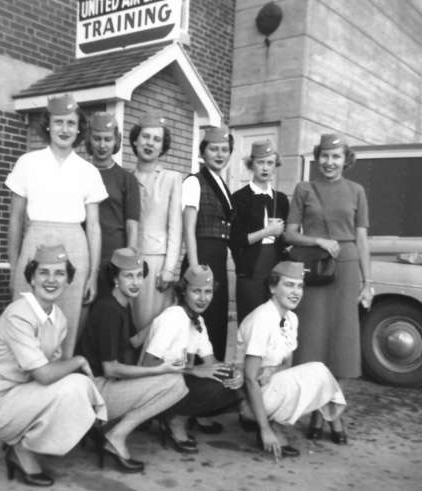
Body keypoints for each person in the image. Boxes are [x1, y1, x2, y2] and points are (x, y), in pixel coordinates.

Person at [0, 245, 107, 487]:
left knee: (76, 386)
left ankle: (23, 439)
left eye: (59, 273)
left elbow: (51, 372)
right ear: (32, 278)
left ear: (68, 280)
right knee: (75, 385)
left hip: (22, 393)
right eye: (44, 272)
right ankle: (21, 449)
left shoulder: (59, 319)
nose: (51, 280)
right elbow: (45, 375)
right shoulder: (19, 314)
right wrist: (78, 360)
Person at [284, 133, 373, 441]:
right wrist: (318, 239)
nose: (329, 162)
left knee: (341, 345)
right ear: (317, 157)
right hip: (316, 271)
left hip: (346, 271)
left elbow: (361, 239)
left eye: (335, 156)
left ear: (345, 159)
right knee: (313, 343)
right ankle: (317, 414)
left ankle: (333, 417)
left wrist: (368, 282)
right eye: (324, 156)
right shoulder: (304, 189)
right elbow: (289, 234)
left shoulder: (357, 191)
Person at [6, 94, 108, 358]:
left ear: (78, 128)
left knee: (69, 319)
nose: (65, 129)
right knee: (28, 317)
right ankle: (26, 382)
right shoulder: (28, 162)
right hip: (35, 242)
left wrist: (93, 275)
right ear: (48, 125)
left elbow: (94, 227)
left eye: (71, 123)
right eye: (59, 122)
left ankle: (60, 381)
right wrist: (14, 265)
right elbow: (16, 218)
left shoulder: (88, 171)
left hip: (75, 245)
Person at [76, 247, 187, 473]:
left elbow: (134, 341)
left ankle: (111, 430)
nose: (136, 282)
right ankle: (115, 436)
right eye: (128, 276)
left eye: (138, 275)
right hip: (95, 389)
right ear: (115, 278)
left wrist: (165, 313)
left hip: (103, 385)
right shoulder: (108, 310)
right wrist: (159, 370)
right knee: (175, 384)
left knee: (174, 379)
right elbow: (111, 369)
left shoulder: (120, 304)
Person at [236, 261, 347, 461]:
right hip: (251, 400)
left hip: (271, 391)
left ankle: (277, 424)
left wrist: (272, 369)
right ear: (272, 287)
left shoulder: (291, 319)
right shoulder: (262, 318)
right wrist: (264, 430)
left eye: (299, 286)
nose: (296, 292)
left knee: (315, 376)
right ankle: (267, 426)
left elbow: (287, 366)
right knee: (318, 371)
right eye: (288, 285)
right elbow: (250, 379)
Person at [140, 265, 242, 454]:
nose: (203, 298)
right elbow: (148, 364)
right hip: (155, 386)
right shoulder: (174, 317)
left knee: (228, 379)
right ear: (183, 291)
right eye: (196, 291)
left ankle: (181, 415)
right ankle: (174, 420)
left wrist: (235, 374)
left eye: (208, 292)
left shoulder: (197, 320)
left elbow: (212, 364)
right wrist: (194, 371)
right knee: (214, 385)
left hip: (176, 382)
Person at [181, 125, 234, 363]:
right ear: (203, 152)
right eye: (214, 149)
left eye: (224, 149)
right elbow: (189, 229)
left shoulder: (222, 184)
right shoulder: (194, 182)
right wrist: (194, 267)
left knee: (216, 319)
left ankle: (214, 371)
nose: (220, 154)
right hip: (201, 255)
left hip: (218, 258)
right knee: (197, 319)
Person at [130, 113, 182, 332]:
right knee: (130, 322)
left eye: (156, 139)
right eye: (146, 137)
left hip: (157, 262)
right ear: (135, 140)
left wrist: (170, 268)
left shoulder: (171, 178)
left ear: (162, 147)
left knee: (152, 324)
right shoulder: (126, 178)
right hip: (130, 261)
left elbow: (175, 227)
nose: (150, 143)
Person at [230, 140, 289, 324]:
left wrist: (283, 234)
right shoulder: (240, 198)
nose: (265, 168)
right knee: (251, 323)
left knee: (275, 325)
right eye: (260, 162)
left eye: (270, 163)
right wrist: (267, 231)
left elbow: (286, 239)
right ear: (251, 164)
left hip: (276, 269)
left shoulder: (281, 199)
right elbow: (235, 240)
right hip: (250, 270)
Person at [86, 112, 140, 298]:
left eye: (108, 139)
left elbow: (132, 224)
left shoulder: (127, 179)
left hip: (113, 257)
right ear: (89, 139)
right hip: (84, 252)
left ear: (116, 141)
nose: (102, 145)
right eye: (97, 139)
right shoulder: (80, 173)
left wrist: (128, 260)